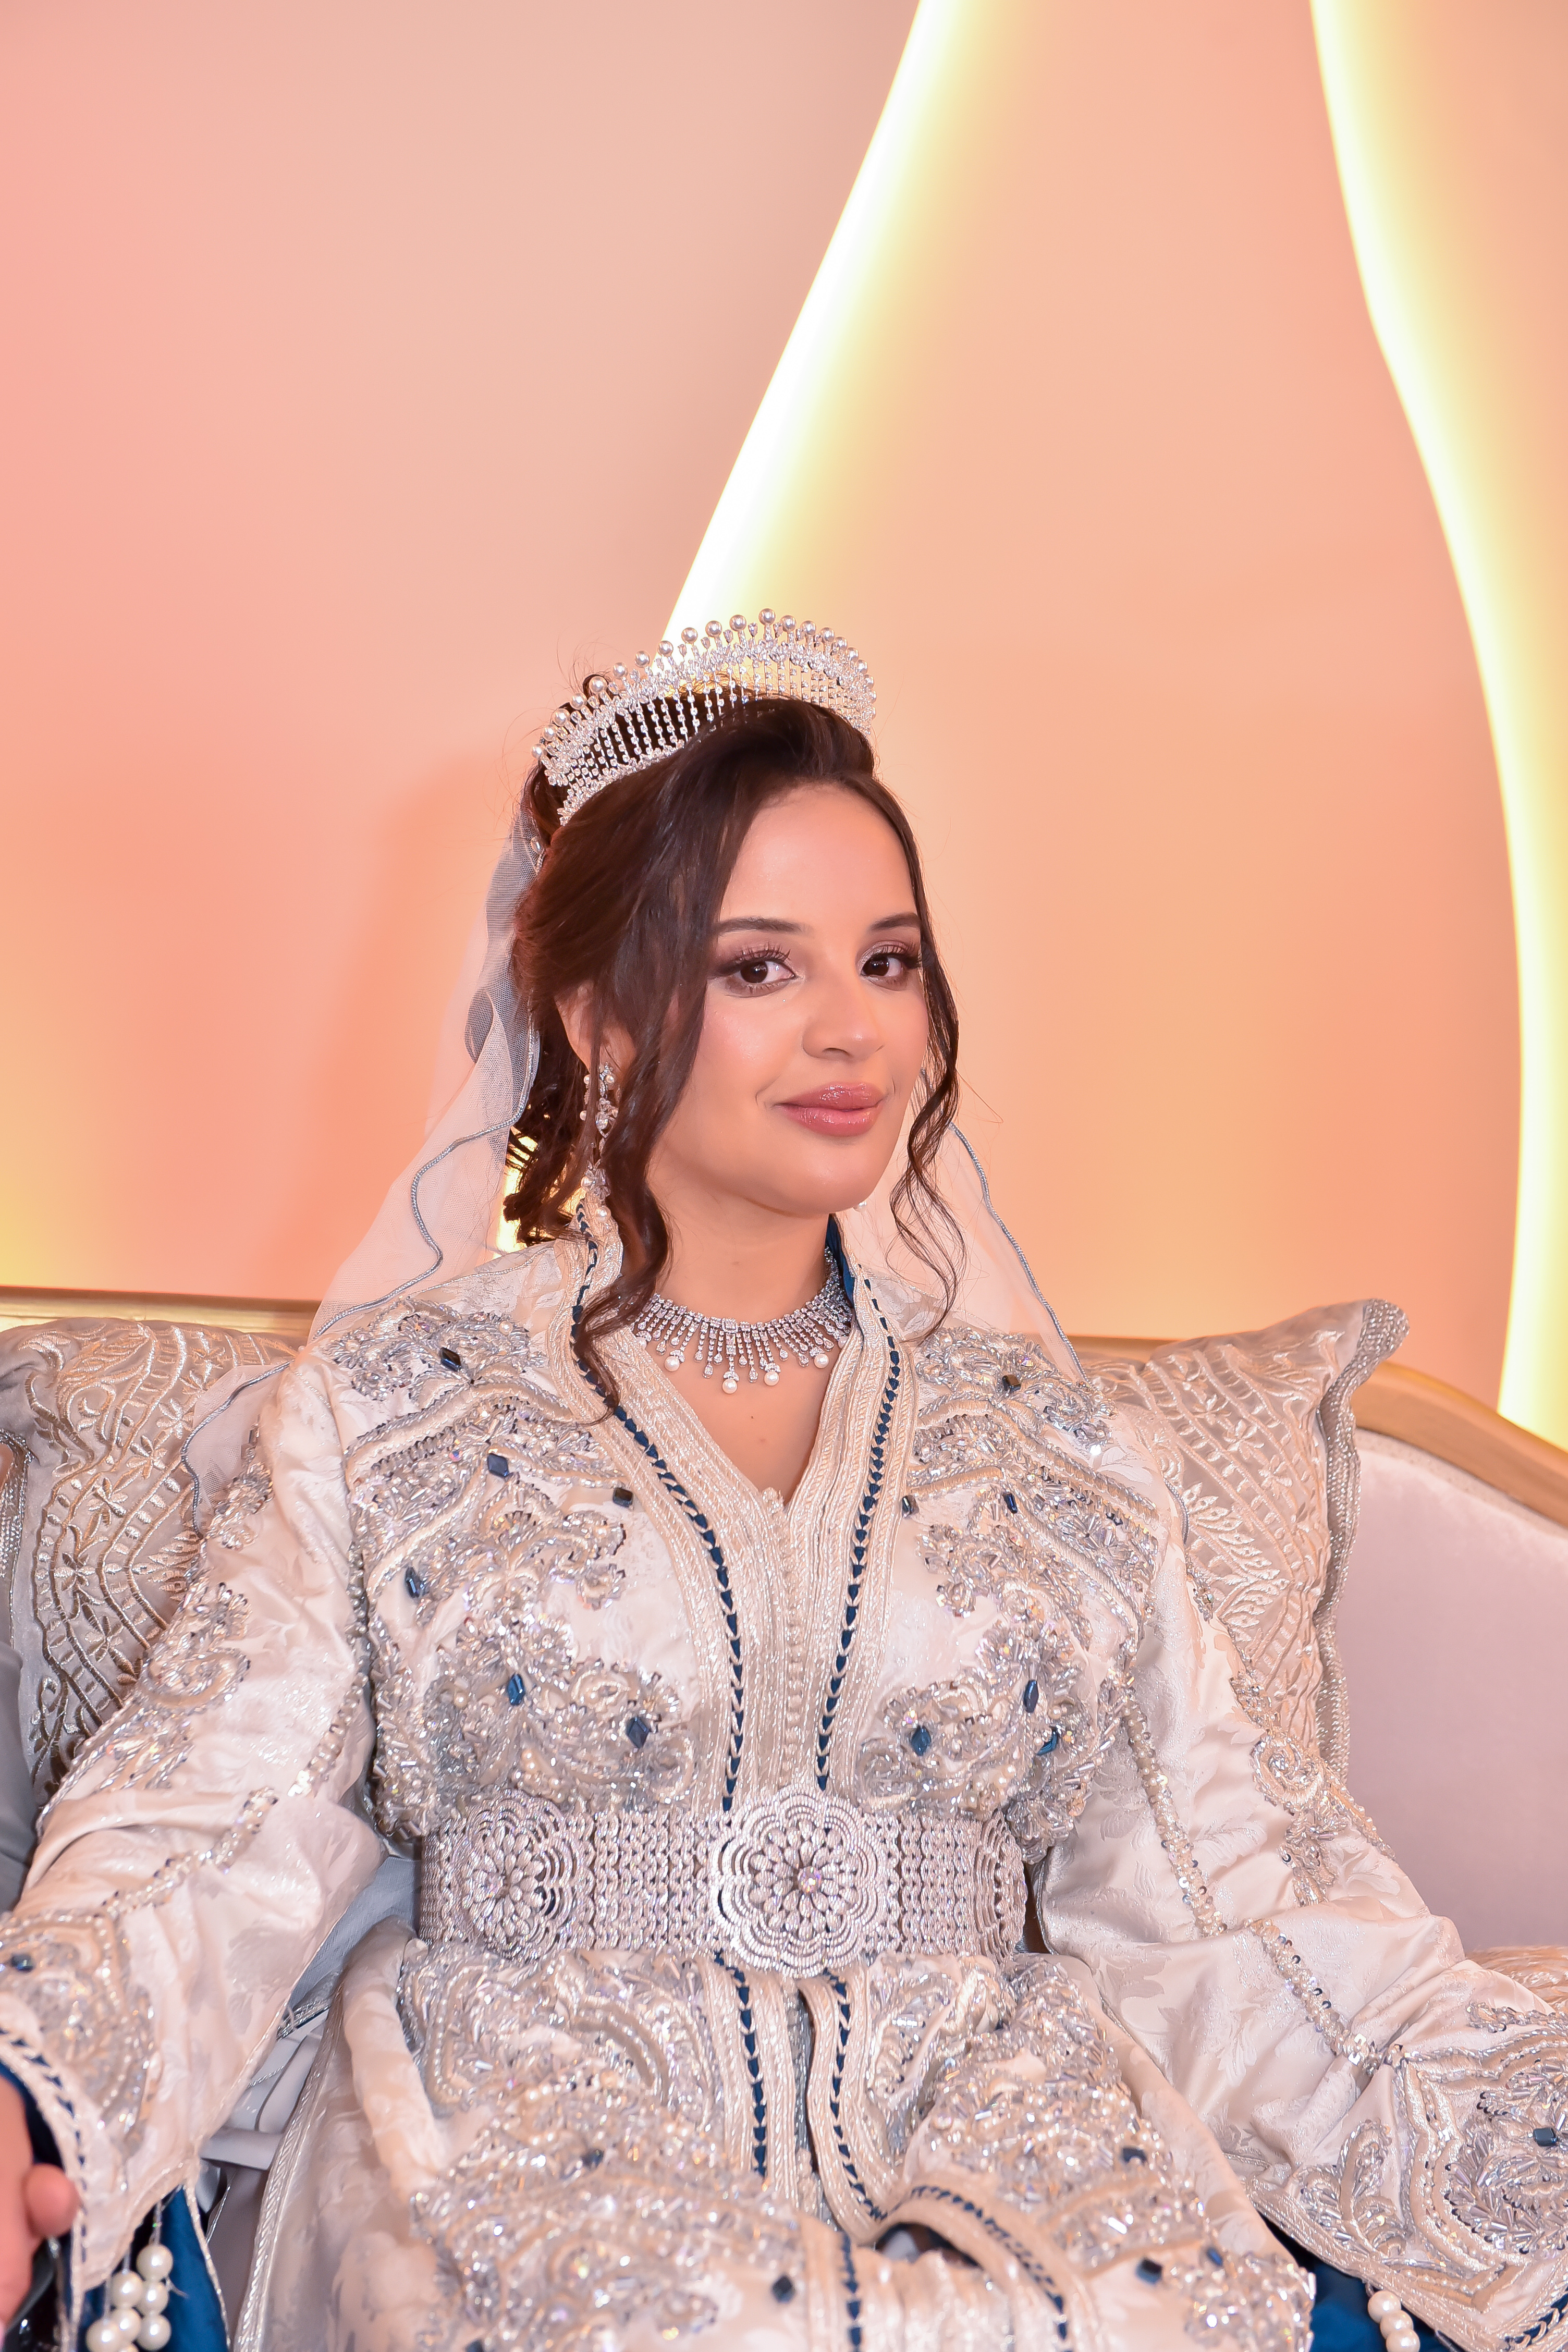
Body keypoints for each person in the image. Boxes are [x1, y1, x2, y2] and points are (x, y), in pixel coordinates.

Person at [0, 616, 1562, 2352]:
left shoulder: (1046, 1445)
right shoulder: (395, 1412)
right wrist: (28, 2091)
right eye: (761, 968)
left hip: (1000, 2130)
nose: (851, 1030)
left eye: (889, 963)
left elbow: (1227, 1889)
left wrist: (1515, 2131)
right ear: (595, 1016)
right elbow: (215, 1825)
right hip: (528, 2136)